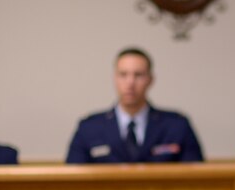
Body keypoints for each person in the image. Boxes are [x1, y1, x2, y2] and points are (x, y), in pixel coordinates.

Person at [66, 48, 203, 163]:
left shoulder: (177, 126)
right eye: (123, 74)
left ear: (150, 80)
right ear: (114, 78)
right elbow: (71, 181)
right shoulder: (89, 128)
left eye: (138, 75)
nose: (130, 82)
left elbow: (197, 178)